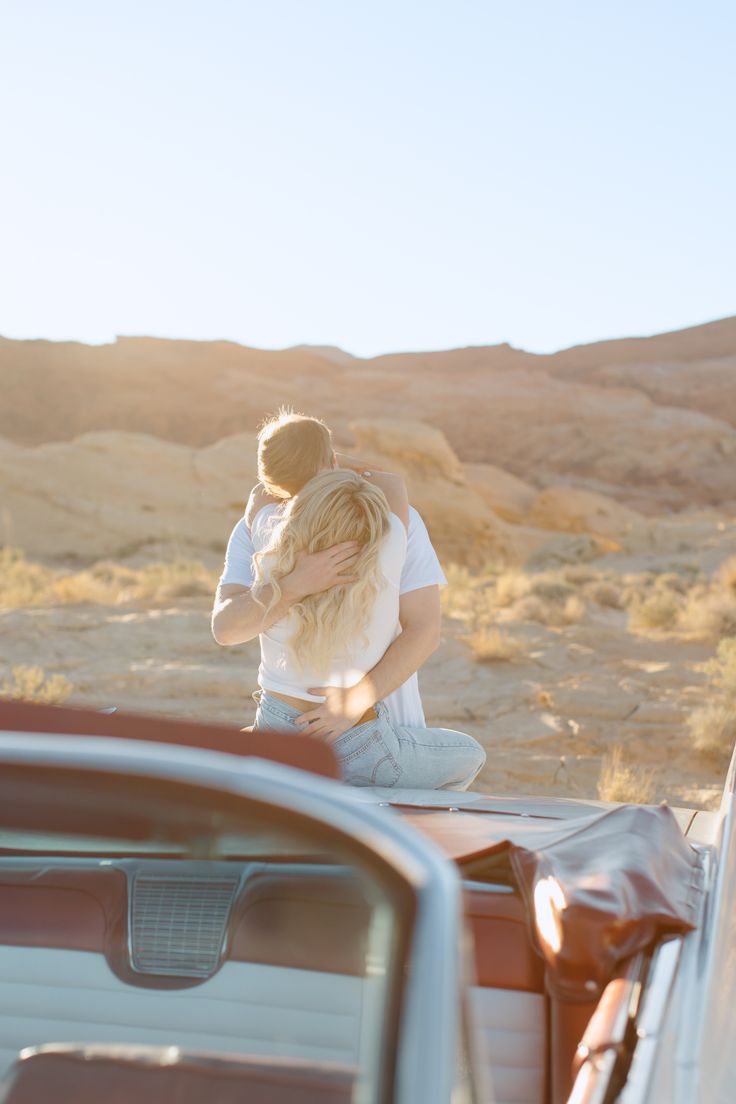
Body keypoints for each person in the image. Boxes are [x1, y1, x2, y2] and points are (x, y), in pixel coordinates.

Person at [217, 464, 484, 789]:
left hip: (278, 728)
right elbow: (394, 484)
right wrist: (354, 703)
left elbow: (262, 492)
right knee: (471, 754)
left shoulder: (270, 550)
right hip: (360, 741)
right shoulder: (391, 541)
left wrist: (291, 586)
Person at [212, 410, 448, 740]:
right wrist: (292, 586)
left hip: (357, 716)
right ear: (333, 462)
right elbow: (426, 628)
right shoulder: (394, 521)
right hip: (374, 727)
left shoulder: (257, 523)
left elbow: (424, 629)